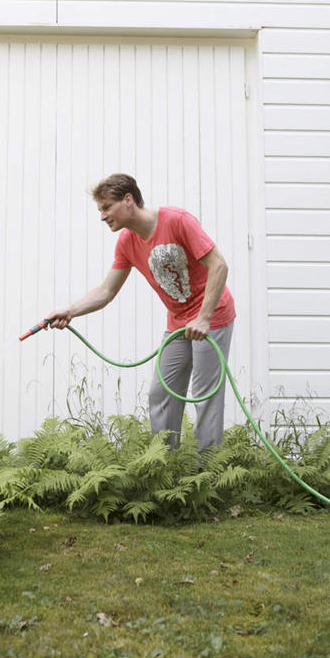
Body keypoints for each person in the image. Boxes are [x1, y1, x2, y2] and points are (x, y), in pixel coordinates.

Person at [46, 173, 235, 451]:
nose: (102, 216)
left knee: (205, 397)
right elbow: (106, 291)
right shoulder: (127, 242)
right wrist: (70, 311)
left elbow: (219, 265)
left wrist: (204, 317)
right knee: (161, 395)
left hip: (212, 316)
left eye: (106, 207)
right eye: (100, 210)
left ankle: (207, 473)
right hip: (178, 323)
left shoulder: (177, 220)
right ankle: (164, 465)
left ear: (128, 200)